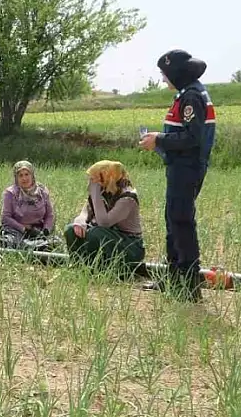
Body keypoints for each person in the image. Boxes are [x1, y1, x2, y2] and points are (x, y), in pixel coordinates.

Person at [139, 50, 214, 302]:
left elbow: (192, 138)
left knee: (181, 222)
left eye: (165, 74)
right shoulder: (187, 94)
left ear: (176, 73)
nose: (163, 79)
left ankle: (189, 285)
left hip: (187, 167)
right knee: (173, 220)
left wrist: (158, 139)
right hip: (180, 166)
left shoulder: (191, 97)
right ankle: (174, 278)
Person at [64, 161, 145, 274]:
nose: (92, 182)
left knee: (95, 233)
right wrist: (80, 221)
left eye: (96, 178)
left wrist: (95, 192)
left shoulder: (128, 197)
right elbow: (85, 212)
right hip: (107, 237)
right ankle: (80, 265)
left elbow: (104, 222)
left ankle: (100, 268)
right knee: (71, 229)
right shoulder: (104, 191)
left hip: (129, 245)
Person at [0, 160, 59, 250]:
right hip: (16, 230)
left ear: (32, 175)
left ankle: (35, 247)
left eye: (27, 174)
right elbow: (5, 217)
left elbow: (49, 215)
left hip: (37, 229)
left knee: (55, 242)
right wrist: (24, 229)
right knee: (11, 241)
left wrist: (45, 230)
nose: (24, 178)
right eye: (20, 175)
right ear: (16, 178)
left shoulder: (42, 191)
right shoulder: (10, 193)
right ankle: (30, 248)